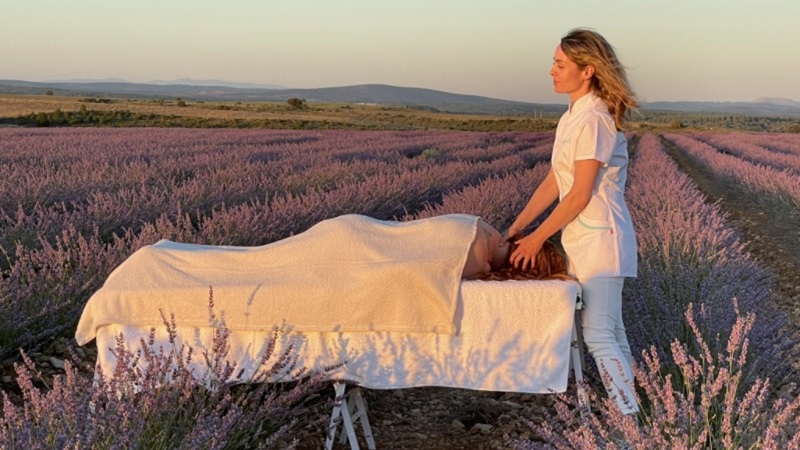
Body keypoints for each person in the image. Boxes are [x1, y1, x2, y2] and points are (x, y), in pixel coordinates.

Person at [502, 28, 639, 414]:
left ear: (588, 70)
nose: (552, 70)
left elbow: (579, 193)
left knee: (599, 336)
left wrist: (536, 239)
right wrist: (515, 229)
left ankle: (631, 422)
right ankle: (637, 418)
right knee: (611, 333)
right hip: (584, 240)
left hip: (603, 242)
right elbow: (554, 182)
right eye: (554, 62)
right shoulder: (573, 116)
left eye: (561, 64)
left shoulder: (595, 118)